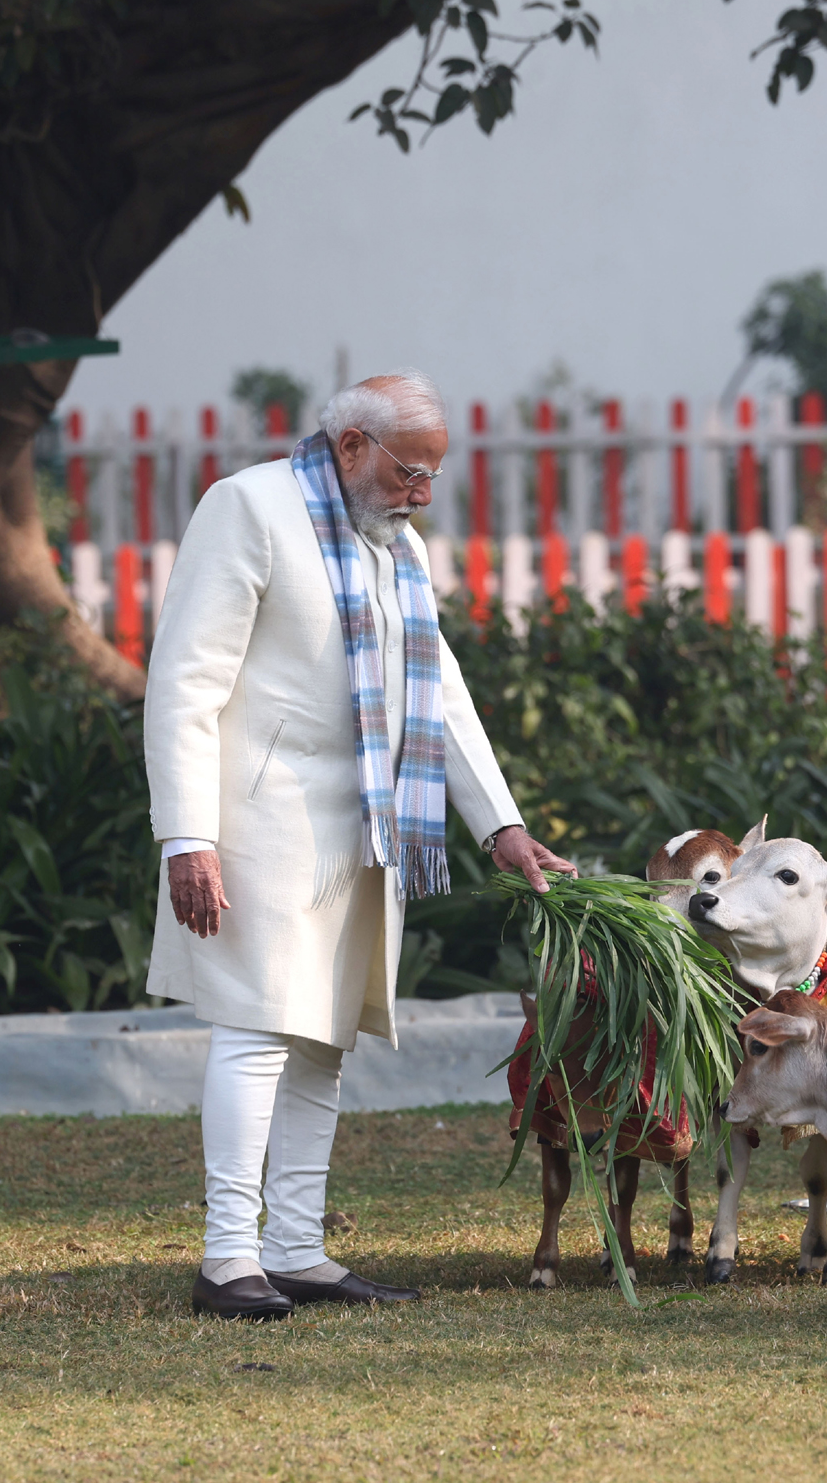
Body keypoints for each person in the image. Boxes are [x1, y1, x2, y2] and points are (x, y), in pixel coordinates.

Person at [144, 370, 572, 1320]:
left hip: (365, 827)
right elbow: (184, 683)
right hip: (256, 822)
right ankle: (227, 1258)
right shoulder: (247, 507)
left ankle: (295, 1247)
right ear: (350, 446)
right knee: (258, 1028)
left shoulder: (394, 545)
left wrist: (500, 824)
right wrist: (187, 836)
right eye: (409, 471)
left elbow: (441, 690)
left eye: (431, 477)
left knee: (323, 1041)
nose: (422, 493)